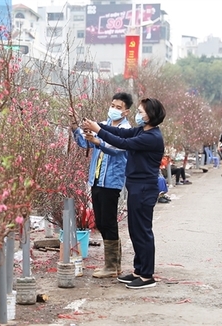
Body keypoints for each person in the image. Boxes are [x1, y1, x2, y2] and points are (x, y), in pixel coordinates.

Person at [82, 97, 166, 289]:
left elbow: (121, 142)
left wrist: (98, 131)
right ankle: (138, 270)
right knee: (135, 230)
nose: (139, 114)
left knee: (143, 231)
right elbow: (121, 132)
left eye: (141, 111)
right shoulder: (142, 130)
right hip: (136, 186)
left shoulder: (151, 137)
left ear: (151, 115)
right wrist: (98, 128)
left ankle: (147, 275)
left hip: (144, 188)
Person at [70, 92, 133, 278]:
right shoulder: (102, 126)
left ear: (126, 112)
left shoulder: (126, 130)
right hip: (97, 179)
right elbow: (84, 141)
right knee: (100, 222)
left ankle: (112, 265)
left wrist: (97, 139)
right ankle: (113, 264)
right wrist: (75, 127)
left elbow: (115, 149)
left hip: (112, 182)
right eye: (113, 105)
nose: (114, 109)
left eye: (118, 107)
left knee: (109, 222)